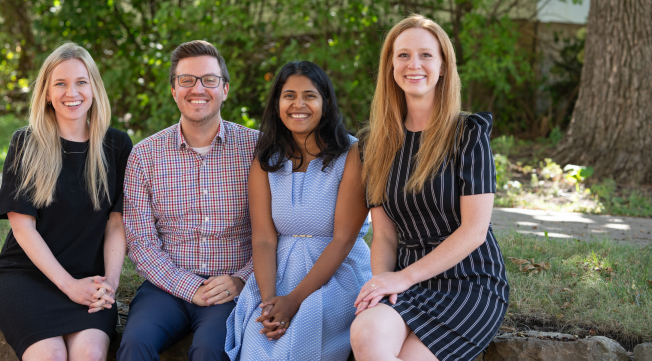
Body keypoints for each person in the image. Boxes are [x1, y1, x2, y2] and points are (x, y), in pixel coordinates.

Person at [350, 14, 510, 361]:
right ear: (390, 65)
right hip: (406, 281)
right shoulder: (373, 144)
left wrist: (402, 279)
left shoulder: (468, 134)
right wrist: (383, 282)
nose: (414, 64)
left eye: (426, 55)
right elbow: (384, 237)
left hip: (470, 281)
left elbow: (474, 231)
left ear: (443, 67)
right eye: (403, 55)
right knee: (367, 332)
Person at [0, 42, 132, 361]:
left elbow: (116, 221)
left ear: (94, 87)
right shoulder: (26, 143)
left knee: (91, 354)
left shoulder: (117, 145)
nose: (72, 92)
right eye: (61, 83)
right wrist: (69, 286)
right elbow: (23, 228)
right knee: (50, 356)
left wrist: (109, 282)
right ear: (48, 94)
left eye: (81, 82)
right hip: (27, 277)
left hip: (89, 279)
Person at [118, 40, 259, 361]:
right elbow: (140, 242)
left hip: (229, 287)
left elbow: (275, 231)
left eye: (209, 79)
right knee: (135, 344)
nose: (198, 89)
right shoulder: (145, 155)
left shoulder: (257, 150)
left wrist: (242, 279)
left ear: (224, 89)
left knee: (211, 350)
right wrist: (188, 287)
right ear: (173, 90)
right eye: (187, 80)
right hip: (165, 287)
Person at [225, 61, 372, 360]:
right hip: (276, 274)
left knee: (300, 338)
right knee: (257, 343)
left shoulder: (351, 153)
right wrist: (269, 303)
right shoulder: (266, 157)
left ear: (326, 103)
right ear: (277, 103)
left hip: (336, 275)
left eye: (310, 96)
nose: (298, 104)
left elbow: (344, 238)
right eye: (289, 95)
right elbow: (264, 238)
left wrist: (292, 301)